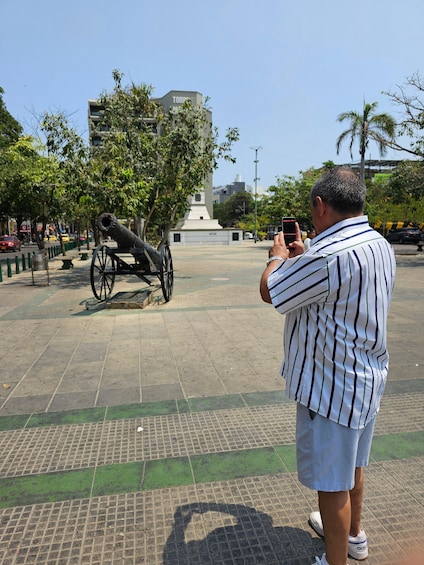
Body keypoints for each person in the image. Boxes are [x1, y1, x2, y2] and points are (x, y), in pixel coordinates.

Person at [260, 167, 396, 565]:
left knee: (331, 485)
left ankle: (334, 560)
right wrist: (301, 260)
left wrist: (277, 258)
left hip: (330, 388)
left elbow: (270, 290)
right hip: (366, 378)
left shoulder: (325, 254)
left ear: (320, 205)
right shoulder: (378, 244)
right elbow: (336, 290)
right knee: (354, 464)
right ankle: (354, 536)